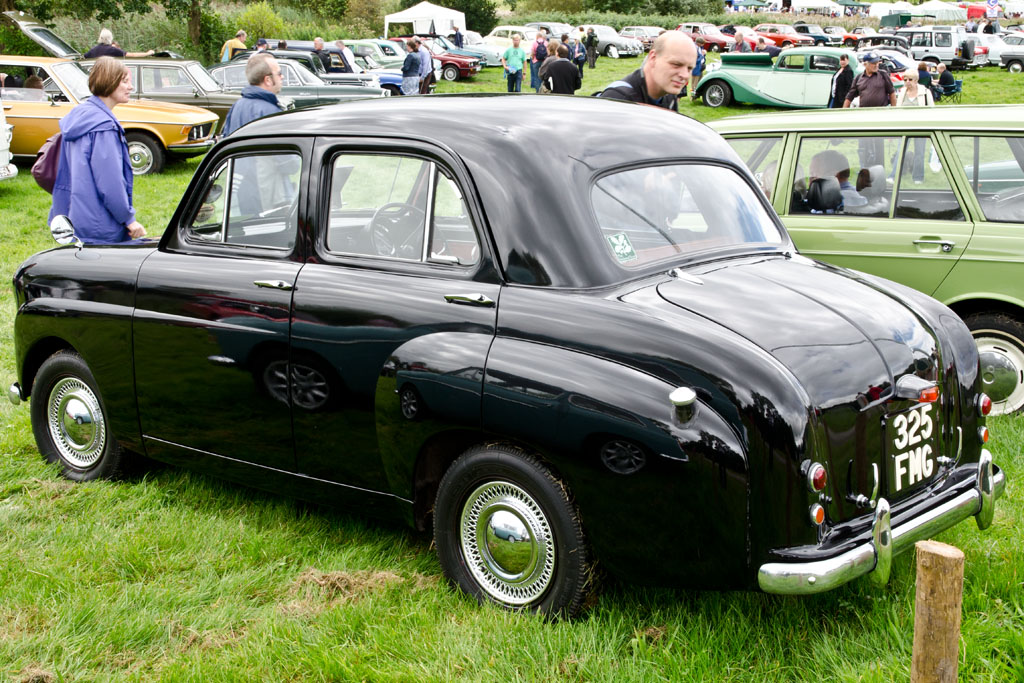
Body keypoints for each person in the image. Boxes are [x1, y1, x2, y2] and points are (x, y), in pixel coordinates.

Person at [49, 56, 146, 244]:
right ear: (109, 82)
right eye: (125, 81)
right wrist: (129, 220)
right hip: (100, 224)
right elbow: (110, 183)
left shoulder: (81, 115)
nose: (130, 87)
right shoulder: (103, 127)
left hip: (75, 217)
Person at [599, 31, 697, 112]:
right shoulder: (619, 99)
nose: (684, 75)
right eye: (676, 64)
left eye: (689, 68)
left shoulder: (669, 97)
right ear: (653, 58)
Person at [222, 53, 283, 136]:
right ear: (268, 80)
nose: (282, 77)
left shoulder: (236, 106)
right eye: (279, 73)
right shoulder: (271, 113)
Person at [84, 28, 154, 59]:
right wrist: (147, 53)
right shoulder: (112, 50)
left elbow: (83, 57)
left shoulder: (93, 50)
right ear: (111, 38)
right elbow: (132, 55)